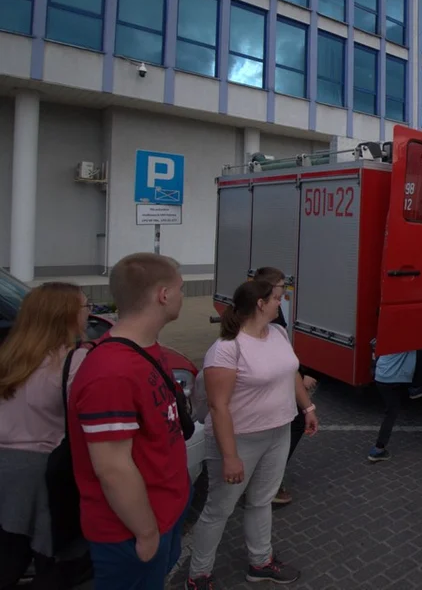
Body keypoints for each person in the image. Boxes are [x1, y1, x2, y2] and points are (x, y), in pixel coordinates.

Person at [67, 253, 190, 589]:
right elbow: (112, 468)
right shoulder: (111, 373)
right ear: (163, 295)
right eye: (180, 288)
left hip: (163, 514)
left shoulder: (146, 349)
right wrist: (146, 531)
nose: (183, 295)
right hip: (131, 530)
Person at [187, 280, 318, 588]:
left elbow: (292, 372)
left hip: (278, 433)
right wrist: (230, 456)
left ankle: (260, 562)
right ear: (261, 303)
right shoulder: (227, 348)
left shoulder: (278, 333)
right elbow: (218, 408)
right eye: (277, 298)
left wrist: (307, 408)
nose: (280, 303)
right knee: (219, 509)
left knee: (261, 500)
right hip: (239, 439)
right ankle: (198, 575)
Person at [0, 283, 92, 590]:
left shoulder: (7, 357)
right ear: (64, 316)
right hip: (45, 475)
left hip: (5, 471)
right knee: (53, 564)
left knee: (9, 559)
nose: (90, 312)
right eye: (85, 306)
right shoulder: (75, 362)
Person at [249, 267, 320, 507]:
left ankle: (266, 478)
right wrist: (300, 377)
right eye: (280, 291)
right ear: (264, 299)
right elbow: (280, 362)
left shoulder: (276, 326)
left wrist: (308, 406)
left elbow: (285, 357)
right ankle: (268, 477)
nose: (281, 300)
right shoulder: (239, 339)